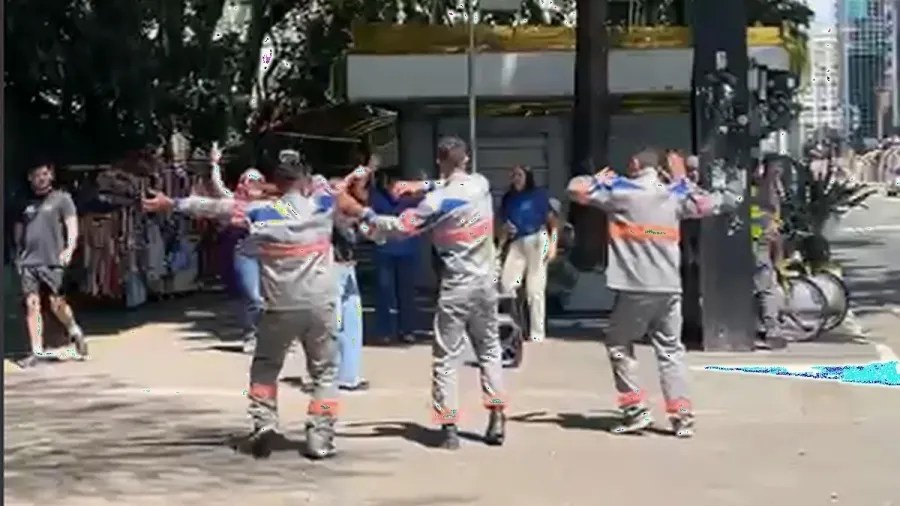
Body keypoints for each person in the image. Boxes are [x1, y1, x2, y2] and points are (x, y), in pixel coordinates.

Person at [142, 157, 361, 460]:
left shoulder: (264, 213)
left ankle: (264, 423)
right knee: (325, 374)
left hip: (279, 306)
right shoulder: (322, 205)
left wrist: (173, 203)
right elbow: (335, 188)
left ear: (278, 183)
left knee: (265, 369)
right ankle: (320, 437)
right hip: (321, 305)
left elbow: (216, 207)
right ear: (305, 182)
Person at [338, 136, 506, 450]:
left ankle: (450, 428)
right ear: (466, 159)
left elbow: (401, 226)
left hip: (457, 284)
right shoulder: (481, 185)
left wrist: (364, 217)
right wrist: (422, 184)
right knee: (489, 351)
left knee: (446, 358)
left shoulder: (437, 203)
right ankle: (497, 416)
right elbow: (451, 183)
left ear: (440, 160)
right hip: (485, 283)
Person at [567, 148, 741, 438]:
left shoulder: (621, 191)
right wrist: (684, 180)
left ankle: (635, 410)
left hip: (635, 286)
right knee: (671, 350)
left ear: (635, 164)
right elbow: (712, 204)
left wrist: (596, 179)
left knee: (619, 343)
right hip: (669, 286)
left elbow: (575, 189)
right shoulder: (674, 193)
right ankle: (682, 416)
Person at [13, 160, 87, 368]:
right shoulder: (24, 202)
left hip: (53, 259)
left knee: (56, 303)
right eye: (37, 175)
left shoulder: (61, 199)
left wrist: (70, 248)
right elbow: (19, 230)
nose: (41, 178)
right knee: (32, 304)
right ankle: (36, 351)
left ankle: (73, 330)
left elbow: (71, 224)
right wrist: (18, 253)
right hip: (29, 261)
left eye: (45, 174)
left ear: (51, 176)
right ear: (30, 178)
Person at [209, 148, 267, 354]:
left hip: (268, 255)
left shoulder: (270, 205)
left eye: (258, 182)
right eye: (249, 181)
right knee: (251, 296)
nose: (253, 186)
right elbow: (217, 186)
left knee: (268, 298)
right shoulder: (232, 202)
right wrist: (214, 163)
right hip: (241, 253)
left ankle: (267, 336)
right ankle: (251, 335)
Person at [498, 165, 558, 342]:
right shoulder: (508, 198)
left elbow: (553, 222)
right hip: (517, 241)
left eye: (519, 175)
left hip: (537, 239)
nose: (516, 178)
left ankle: (537, 333)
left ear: (527, 177)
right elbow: (503, 223)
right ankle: (514, 328)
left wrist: (553, 245)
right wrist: (501, 244)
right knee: (507, 285)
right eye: (513, 175)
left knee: (535, 289)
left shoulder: (538, 195)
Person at [369, 169, 422, 344]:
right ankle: (384, 331)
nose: (394, 187)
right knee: (384, 292)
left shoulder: (412, 199)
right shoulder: (377, 197)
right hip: (384, 250)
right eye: (391, 183)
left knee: (406, 293)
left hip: (407, 251)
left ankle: (407, 330)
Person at [330, 177, 370, 391]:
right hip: (332, 269)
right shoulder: (328, 210)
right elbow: (344, 230)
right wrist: (359, 221)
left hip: (348, 267)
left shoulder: (351, 211)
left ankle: (349, 376)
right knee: (333, 324)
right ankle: (329, 374)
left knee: (353, 323)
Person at [750, 158, 787, 350]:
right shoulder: (765, 193)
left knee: (759, 289)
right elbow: (773, 227)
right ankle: (772, 330)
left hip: (747, 244)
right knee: (766, 288)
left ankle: (761, 328)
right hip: (759, 245)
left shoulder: (744, 192)